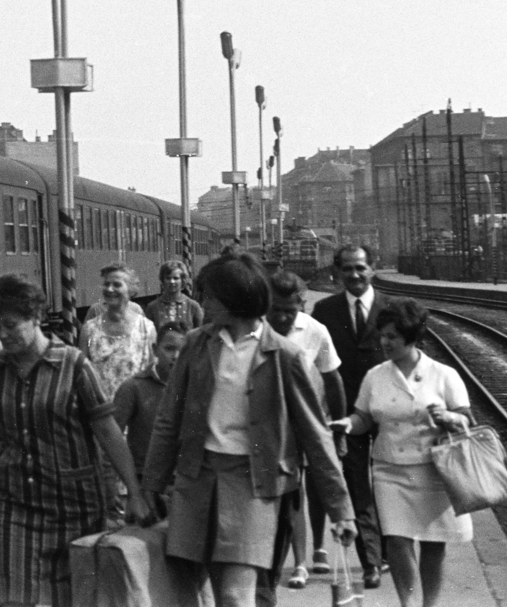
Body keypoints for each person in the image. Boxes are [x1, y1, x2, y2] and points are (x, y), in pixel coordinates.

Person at [142, 251, 356, 607]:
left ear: (234, 298)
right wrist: (149, 487)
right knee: (207, 593)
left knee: (236, 597)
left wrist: (341, 509)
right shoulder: (197, 343)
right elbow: (169, 420)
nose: (203, 302)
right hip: (199, 481)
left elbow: (317, 438)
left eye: (209, 295)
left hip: (255, 486)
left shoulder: (285, 356)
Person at [0, 274, 152, 607]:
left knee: (74, 597)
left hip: (74, 506)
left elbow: (108, 431)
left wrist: (135, 493)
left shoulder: (74, 365)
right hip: (13, 503)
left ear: (36, 317)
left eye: (10, 324)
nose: (2, 334)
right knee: (16, 598)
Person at [330, 300, 473, 607]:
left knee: (434, 544)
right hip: (389, 470)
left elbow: (465, 420)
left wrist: (449, 417)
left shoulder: (443, 374)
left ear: (412, 336)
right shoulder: (375, 376)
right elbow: (363, 418)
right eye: (382, 335)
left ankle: (429, 604)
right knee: (396, 540)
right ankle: (408, 603)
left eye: (393, 336)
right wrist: (346, 424)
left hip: (434, 471)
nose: (385, 342)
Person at [311, 243, 388, 588]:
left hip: (389, 411)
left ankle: (388, 550)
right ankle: (371, 561)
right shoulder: (325, 311)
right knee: (357, 484)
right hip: (347, 414)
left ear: (373, 268)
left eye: (360, 268)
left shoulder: (393, 309)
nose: (354, 275)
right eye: (347, 269)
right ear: (337, 273)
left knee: (387, 484)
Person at [264, 269, 346, 593]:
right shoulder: (255, 328)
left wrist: (338, 431)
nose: (283, 317)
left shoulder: (315, 331)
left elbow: (333, 380)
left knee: (298, 492)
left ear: (302, 303)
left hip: (307, 421)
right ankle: (278, 560)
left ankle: (301, 562)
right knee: (284, 495)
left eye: (290, 310)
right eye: (276, 309)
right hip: (268, 426)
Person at [110, 319, 188, 509]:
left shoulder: (195, 388)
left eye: (182, 350)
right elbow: (110, 438)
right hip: (145, 485)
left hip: (186, 485)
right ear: (155, 349)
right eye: (169, 348)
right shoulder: (134, 388)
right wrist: (110, 487)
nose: (176, 356)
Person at [79, 263, 157, 398]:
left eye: (117, 285)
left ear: (131, 290)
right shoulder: (89, 330)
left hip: (137, 412)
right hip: (102, 412)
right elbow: (81, 376)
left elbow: (154, 374)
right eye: (106, 284)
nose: (110, 289)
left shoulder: (146, 329)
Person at [147, 258, 206, 333]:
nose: (172, 282)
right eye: (168, 278)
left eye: (176, 278)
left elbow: (201, 333)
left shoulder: (193, 306)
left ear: (182, 280)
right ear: (162, 280)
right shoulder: (152, 307)